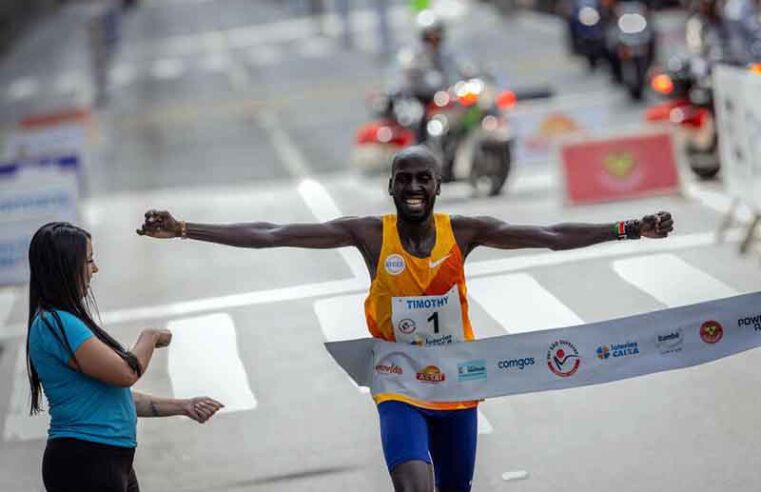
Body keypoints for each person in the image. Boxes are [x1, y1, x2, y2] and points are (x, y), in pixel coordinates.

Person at [137, 146, 674, 492]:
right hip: (398, 382)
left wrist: (629, 229)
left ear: (437, 186)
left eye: (424, 179)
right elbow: (272, 234)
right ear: (390, 187)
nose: (414, 188)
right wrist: (184, 228)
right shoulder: (370, 234)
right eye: (404, 180)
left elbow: (551, 236)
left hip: (459, 385)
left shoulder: (462, 231)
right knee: (414, 486)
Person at [26, 222, 224, 492]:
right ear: (66, 266)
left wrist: (184, 406)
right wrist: (149, 337)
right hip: (86, 463)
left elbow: (112, 397)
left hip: (109, 460)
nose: (95, 269)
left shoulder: (62, 321)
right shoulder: (56, 324)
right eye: (89, 260)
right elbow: (125, 374)